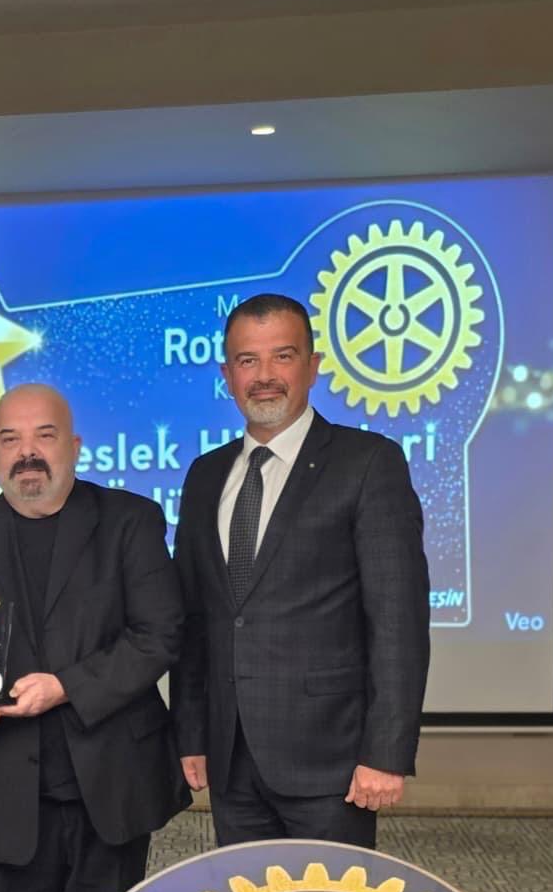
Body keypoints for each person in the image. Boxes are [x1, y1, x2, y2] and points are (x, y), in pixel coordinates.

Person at [171, 293, 431, 849]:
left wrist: (385, 753)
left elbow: (398, 621)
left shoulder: (368, 463)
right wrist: (192, 733)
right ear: (227, 375)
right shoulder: (204, 475)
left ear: (312, 367)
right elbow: (195, 618)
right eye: (247, 360)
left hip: (331, 760)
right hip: (231, 757)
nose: (264, 376)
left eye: (282, 356)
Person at [0, 383, 190, 892]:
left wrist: (65, 687)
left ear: (75, 446)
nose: (27, 452)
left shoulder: (129, 521)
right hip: (9, 790)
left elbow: (158, 634)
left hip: (113, 782)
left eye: (45, 435)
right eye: (10, 439)